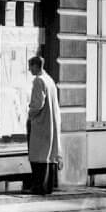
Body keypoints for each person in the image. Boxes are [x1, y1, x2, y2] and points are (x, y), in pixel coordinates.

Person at [27, 56, 62, 195]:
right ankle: (47, 186)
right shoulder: (50, 80)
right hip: (50, 123)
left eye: (30, 66)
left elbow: (37, 104)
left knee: (38, 156)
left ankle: (38, 186)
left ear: (36, 66)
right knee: (48, 155)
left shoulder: (39, 80)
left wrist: (30, 113)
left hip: (41, 123)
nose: (29, 69)